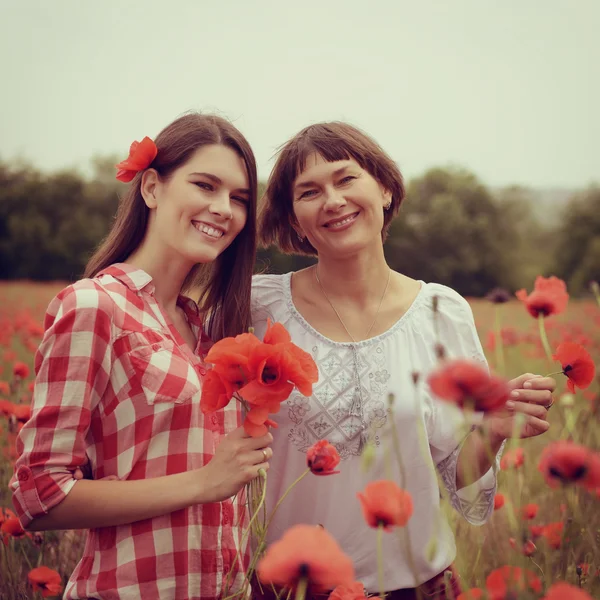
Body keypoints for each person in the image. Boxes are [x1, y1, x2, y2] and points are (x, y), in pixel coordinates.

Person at [250, 122, 555, 599]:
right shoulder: (257, 308)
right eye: (309, 191)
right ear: (293, 219)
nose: (332, 200)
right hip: (285, 587)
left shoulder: (441, 312)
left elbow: (457, 471)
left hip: (415, 585)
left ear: (386, 189)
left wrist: (494, 428)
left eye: (346, 179)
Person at [10, 113, 273, 600]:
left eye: (239, 198)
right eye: (205, 185)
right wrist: (203, 482)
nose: (223, 209)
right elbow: (39, 495)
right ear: (152, 187)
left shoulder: (205, 328)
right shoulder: (95, 305)